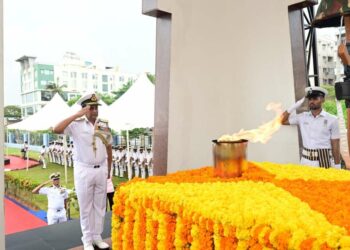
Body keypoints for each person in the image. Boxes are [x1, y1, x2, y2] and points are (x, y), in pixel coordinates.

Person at [53, 93, 112, 250]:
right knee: (85, 206)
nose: (94, 111)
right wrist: (77, 115)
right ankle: (87, 240)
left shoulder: (103, 125)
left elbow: (108, 147)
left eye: (96, 107)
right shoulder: (76, 124)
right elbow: (56, 129)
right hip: (84, 170)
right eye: (91, 108)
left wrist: (109, 170)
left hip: (101, 169)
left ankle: (97, 237)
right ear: (84, 109)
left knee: (100, 206)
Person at [281, 86, 341, 169]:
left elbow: (336, 144)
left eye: (315, 98)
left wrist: (337, 165)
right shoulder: (302, 117)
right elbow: (282, 121)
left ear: (323, 99)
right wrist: (295, 106)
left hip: (324, 160)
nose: (312, 101)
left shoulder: (332, 119)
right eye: (310, 99)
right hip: (306, 161)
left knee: (322, 182)